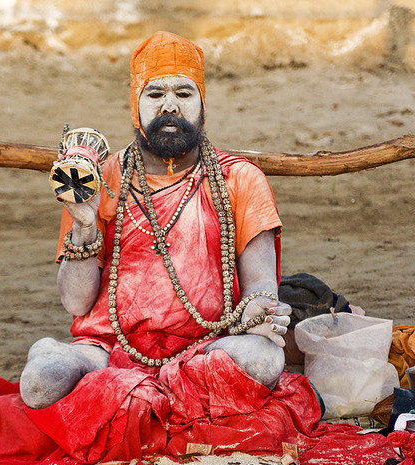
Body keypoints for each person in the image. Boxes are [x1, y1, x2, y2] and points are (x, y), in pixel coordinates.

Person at [20, 31, 292, 410]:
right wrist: (83, 224)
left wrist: (260, 310)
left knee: (261, 359)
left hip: (208, 349)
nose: (170, 107)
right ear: (136, 105)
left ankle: (137, 395)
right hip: (108, 349)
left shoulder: (240, 178)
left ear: (202, 105)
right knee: (40, 381)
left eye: (183, 94)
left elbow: (261, 283)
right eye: (155, 94)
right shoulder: (96, 178)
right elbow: (77, 304)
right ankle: (153, 391)